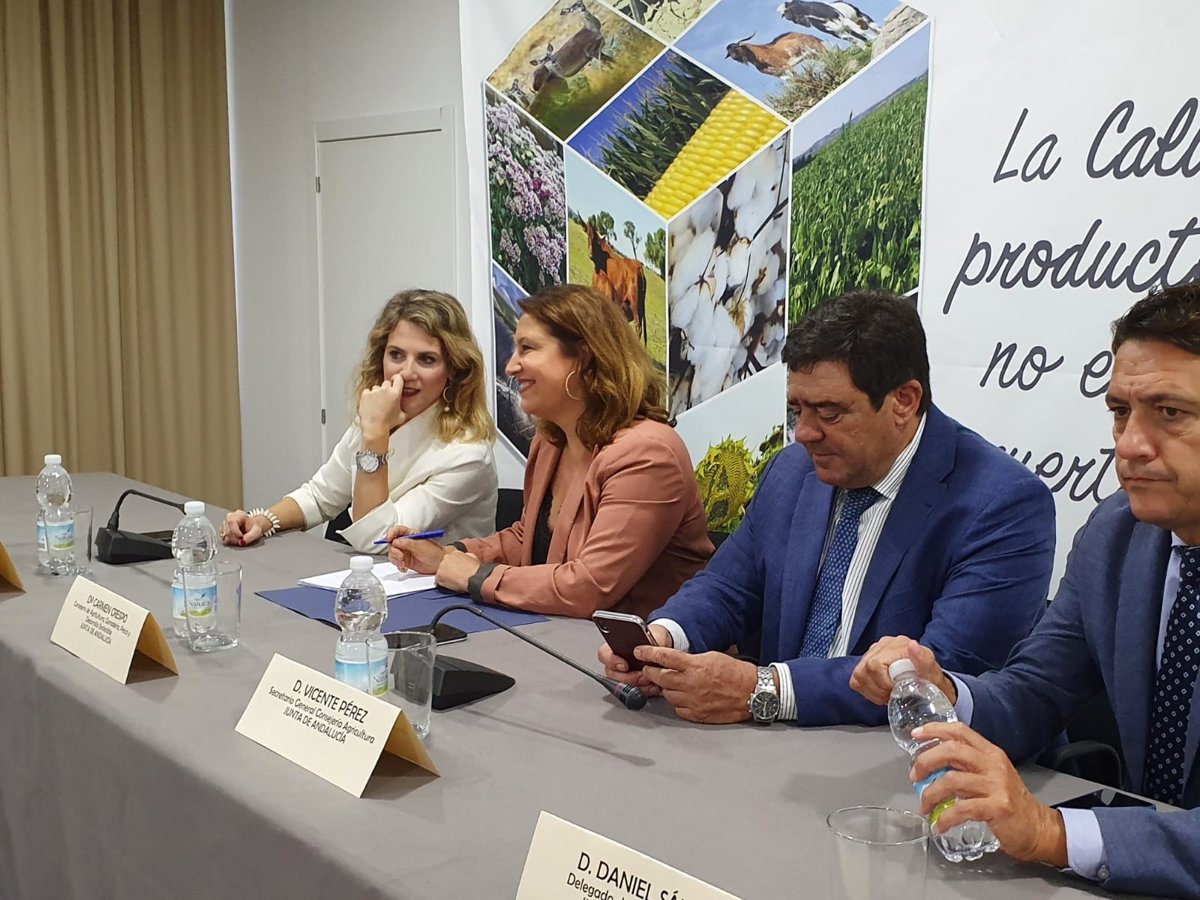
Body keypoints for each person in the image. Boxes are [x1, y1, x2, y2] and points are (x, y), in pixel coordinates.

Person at [850, 284, 1200, 898]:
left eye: (1170, 412)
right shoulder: (1117, 533)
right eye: (1121, 411)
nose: (1129, 445)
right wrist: (943, 691)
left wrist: (1050, 832)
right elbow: (1038, 689)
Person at [601, 290, 1055, 726]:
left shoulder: (1001, 504)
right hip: (777, 748)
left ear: (904, 401)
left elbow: (940, 676)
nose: (804, 433)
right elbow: (727, 588)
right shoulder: (792, 471)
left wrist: (763, 689)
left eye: (829, 413)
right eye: (797, 409)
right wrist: (662, 639)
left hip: (906, 757)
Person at [387, 283, 713, 618]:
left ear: (584, 358)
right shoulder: (551, 440)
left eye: (527, 349)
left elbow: (589, 588)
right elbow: (526, 540)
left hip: (637, 648)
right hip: (562, 634)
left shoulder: (648, 455)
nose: (511, 366)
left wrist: (477, 576)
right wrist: (446, 555)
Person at [222, 289, 497, 553]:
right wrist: (262, 521)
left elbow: (377, 539)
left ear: (454, 369)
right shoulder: (378, 415)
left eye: (426, 359)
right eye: (396, 355)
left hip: (433, 585)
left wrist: (376, 434)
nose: (405, 372)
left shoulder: (468, 455)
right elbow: (320, 497)